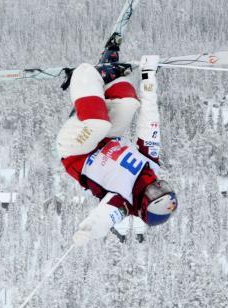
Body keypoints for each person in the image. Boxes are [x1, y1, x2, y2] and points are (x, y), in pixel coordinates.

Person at [56, 35, 178, 246]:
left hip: (77, 151)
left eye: (155, 193)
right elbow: (150, 120)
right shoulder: (152, 165)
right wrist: (149, 77)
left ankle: (83, 75)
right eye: (163, 187)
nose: (156, 185)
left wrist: (88, 231)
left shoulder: (122, 202)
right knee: (129, 103)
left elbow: (104, 218)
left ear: (143, 204)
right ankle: (109, 74)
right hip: (106, 139)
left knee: (97, 122)